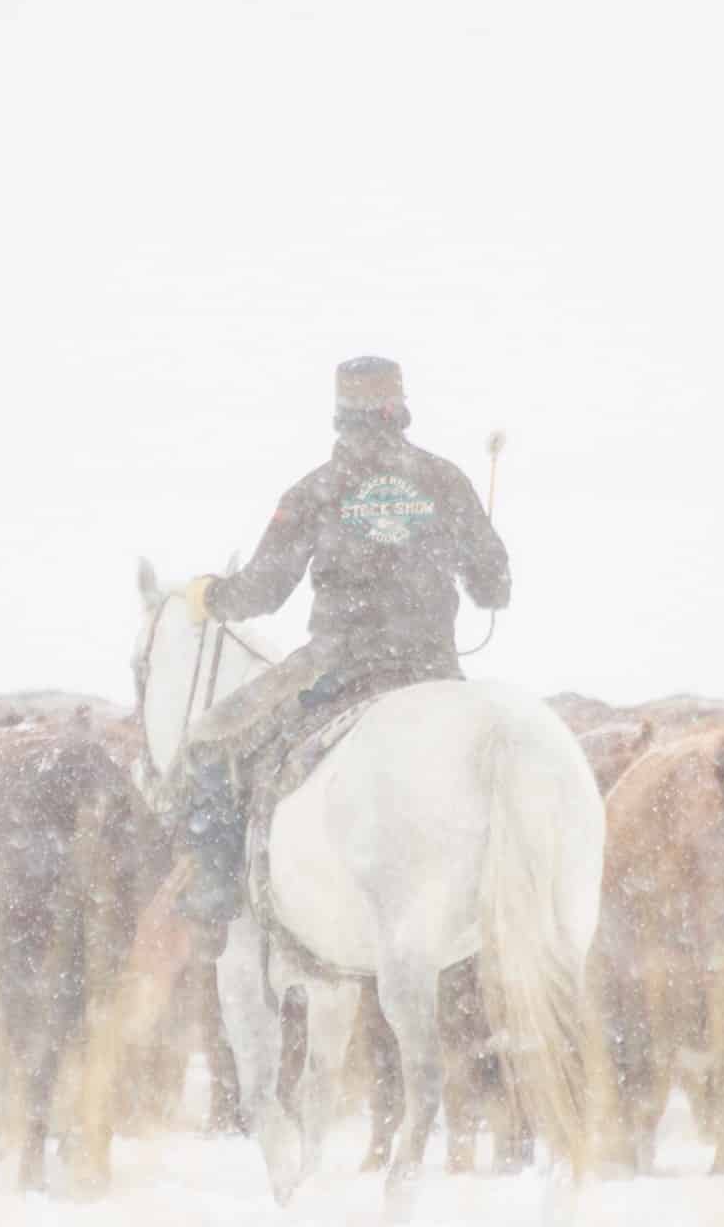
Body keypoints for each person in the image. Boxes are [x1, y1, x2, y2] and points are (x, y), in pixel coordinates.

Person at [172, 356, 511, 932]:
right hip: (432, 670)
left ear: (340, 415)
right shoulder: (446, 481)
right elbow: (495, 589)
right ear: (400, 409)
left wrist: (212, 596)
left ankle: (216, 892)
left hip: (338, 666)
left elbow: (263, 590)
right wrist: (480, 564)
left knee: (208, 742)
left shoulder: (315, 490)